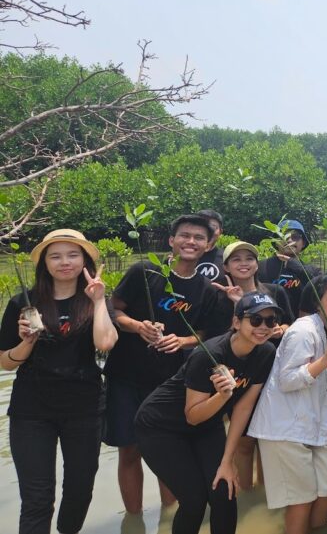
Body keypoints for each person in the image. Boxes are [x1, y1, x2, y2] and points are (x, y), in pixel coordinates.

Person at [0, 229, 117, 534]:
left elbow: (105, 344)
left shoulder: (98, 299)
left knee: (80, 490)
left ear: (85, 260)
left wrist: (99, 300)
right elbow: (5, 362)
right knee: (37, 498)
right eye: (55, 256)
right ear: (45, 264)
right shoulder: (22, 303)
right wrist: (27, 341)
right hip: (32, 410)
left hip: (84, 408)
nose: (65, 262)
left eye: (72, 255)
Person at [134, 291, 280, 534]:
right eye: (255, 320)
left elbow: (243, 407)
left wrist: (227, 461)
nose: (263, 327)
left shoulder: (265, 353)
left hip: (207, 425)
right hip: (160, 427)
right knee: (194, 500)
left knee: (225, 490)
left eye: (270, 321)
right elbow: (192, 415)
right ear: (236, 322)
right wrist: (222, 396)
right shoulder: (208, 355)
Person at [106, 214, 222, 514]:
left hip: (171, 382)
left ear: (209, 245)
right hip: (127, 376)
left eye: (199, 238)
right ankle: (133, 521)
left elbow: (207, 334)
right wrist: (137, 326)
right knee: (129, 451)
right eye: (185, 235)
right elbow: (112, 309)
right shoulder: (145, 272)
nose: (191, 242)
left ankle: (169, 519)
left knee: (167, 451)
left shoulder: (207, 289)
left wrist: (182, 342)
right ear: (171, 240)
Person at [247, 275, 327, 534]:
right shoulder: (303, 331)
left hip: (317, 427)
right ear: (317, 303)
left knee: (325, 491)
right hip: (286, 427)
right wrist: (326, 359)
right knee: (301, 499)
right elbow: (288, 380)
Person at [214, 240, 295, 489]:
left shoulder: (275, 292)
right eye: (236, 259)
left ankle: (264, 494)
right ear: (226, 266)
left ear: (257, 264)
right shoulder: (218, 297)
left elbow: (290, 325)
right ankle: (245, 494)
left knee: (269, 440)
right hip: (241, 375)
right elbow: (219, 338)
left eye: (249, 258)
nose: (243, 264)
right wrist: (237, 304)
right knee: (245, 440)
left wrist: (280, 329)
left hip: (273, 371)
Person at [258, 219, 322, 315]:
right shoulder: (260, 266)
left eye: (295, 236)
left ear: (303, 243)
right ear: (276, 241)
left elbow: (321, 296)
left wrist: (300, 270)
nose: (289, 240)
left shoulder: (314, 271)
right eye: (283, 236)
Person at [196, 209, 227, 285]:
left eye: (213, 227)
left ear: (220, 232)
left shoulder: (227, 257)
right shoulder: (180, 257)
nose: (208, 231)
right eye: (202, 226)